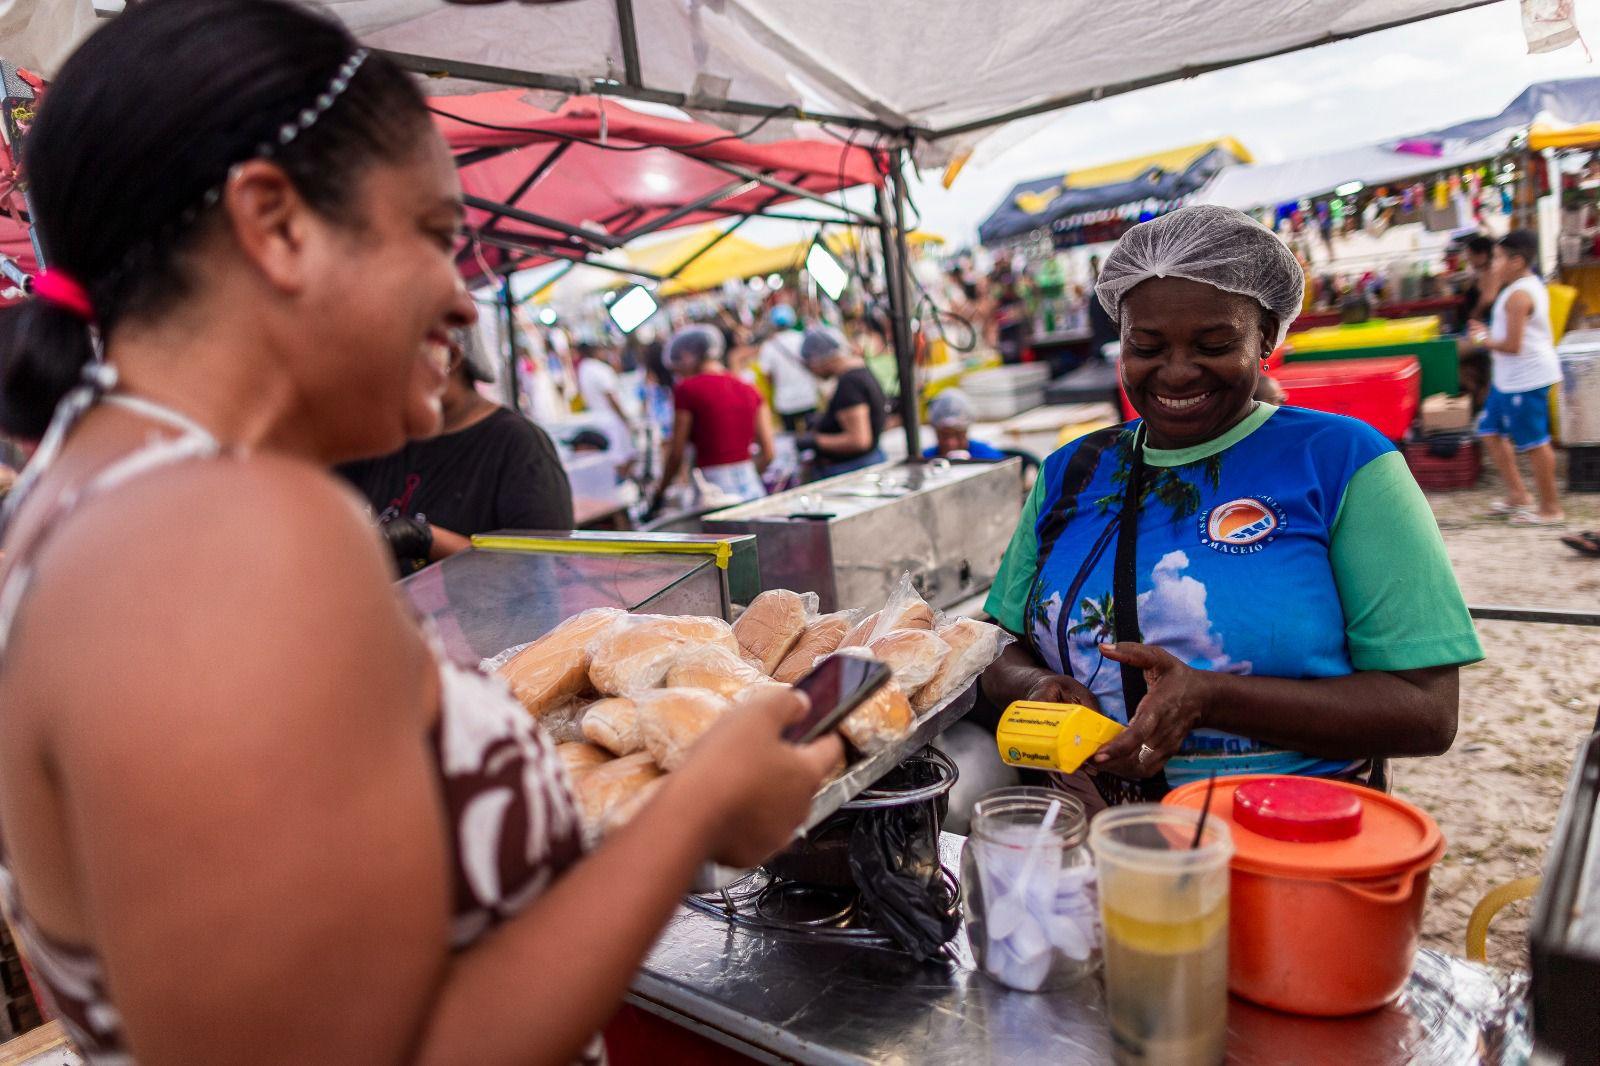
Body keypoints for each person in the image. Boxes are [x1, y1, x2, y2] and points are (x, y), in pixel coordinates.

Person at [0, 4, 840, 1062]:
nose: (458, 294)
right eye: (437, 235)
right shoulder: (220, 535)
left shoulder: (94, 498)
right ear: (277, 222)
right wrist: (696, 814)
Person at [980, 204, 1482, 811]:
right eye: (1146, 345)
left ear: (1267, 336)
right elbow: (993, 641)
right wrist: (1032, 684)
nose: (1177, 371)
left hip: (1283, 837)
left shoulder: (1341, 461)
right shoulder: (1073, 472)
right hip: (1087, 841)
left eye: (1215, 344)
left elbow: (1427, 713)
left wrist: (1212, 698)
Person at [338, 327, 574, 573]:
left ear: (449, 357)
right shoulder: (383, 442)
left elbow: (542, 571)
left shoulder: (518, 445)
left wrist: (427, 539)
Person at [1468, 230, 1565, 525]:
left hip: (1527, 377)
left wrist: (1483, 340)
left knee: (1535, 443)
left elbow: (1513, 345)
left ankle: (1550, 509)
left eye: (1498, 257)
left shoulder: (1520, 295)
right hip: (1508, 378)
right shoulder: (1517, 287)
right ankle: (1518, 494)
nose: (1493, 263)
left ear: (1517, 261)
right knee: (1489, 430)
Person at [650, 323, 773, 511]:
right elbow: (769, 452)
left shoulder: (687, 390)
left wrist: (659, 494)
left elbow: (677, 453)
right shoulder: (748, 389)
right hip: (752, 487)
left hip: (713, 491)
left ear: (688, 357)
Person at [797, 326, 888, 480]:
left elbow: (859, 440)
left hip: (854, 469)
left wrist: (815, 441)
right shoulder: (858, 372)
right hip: (863, 464)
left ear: (818, 360)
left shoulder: (850, 382)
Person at [574, 340, 639, 473]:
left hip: (598, 417)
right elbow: (611, 397)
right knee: (621, 457)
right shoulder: (599, 369)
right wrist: (625, 419)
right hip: (611, 419)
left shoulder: (584, 368)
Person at [756, 304, 819, 432]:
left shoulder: (769, 346)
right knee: (813, 434)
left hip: (784, 401)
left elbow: (767, 376)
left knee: (790, 439)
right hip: (808, 396)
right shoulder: (803, 338)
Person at [922, 390, 1006, 461]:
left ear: (966, 432)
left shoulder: (989, 457)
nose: (951, 444)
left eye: (958, 435)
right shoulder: (925, 459)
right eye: (944, 436)